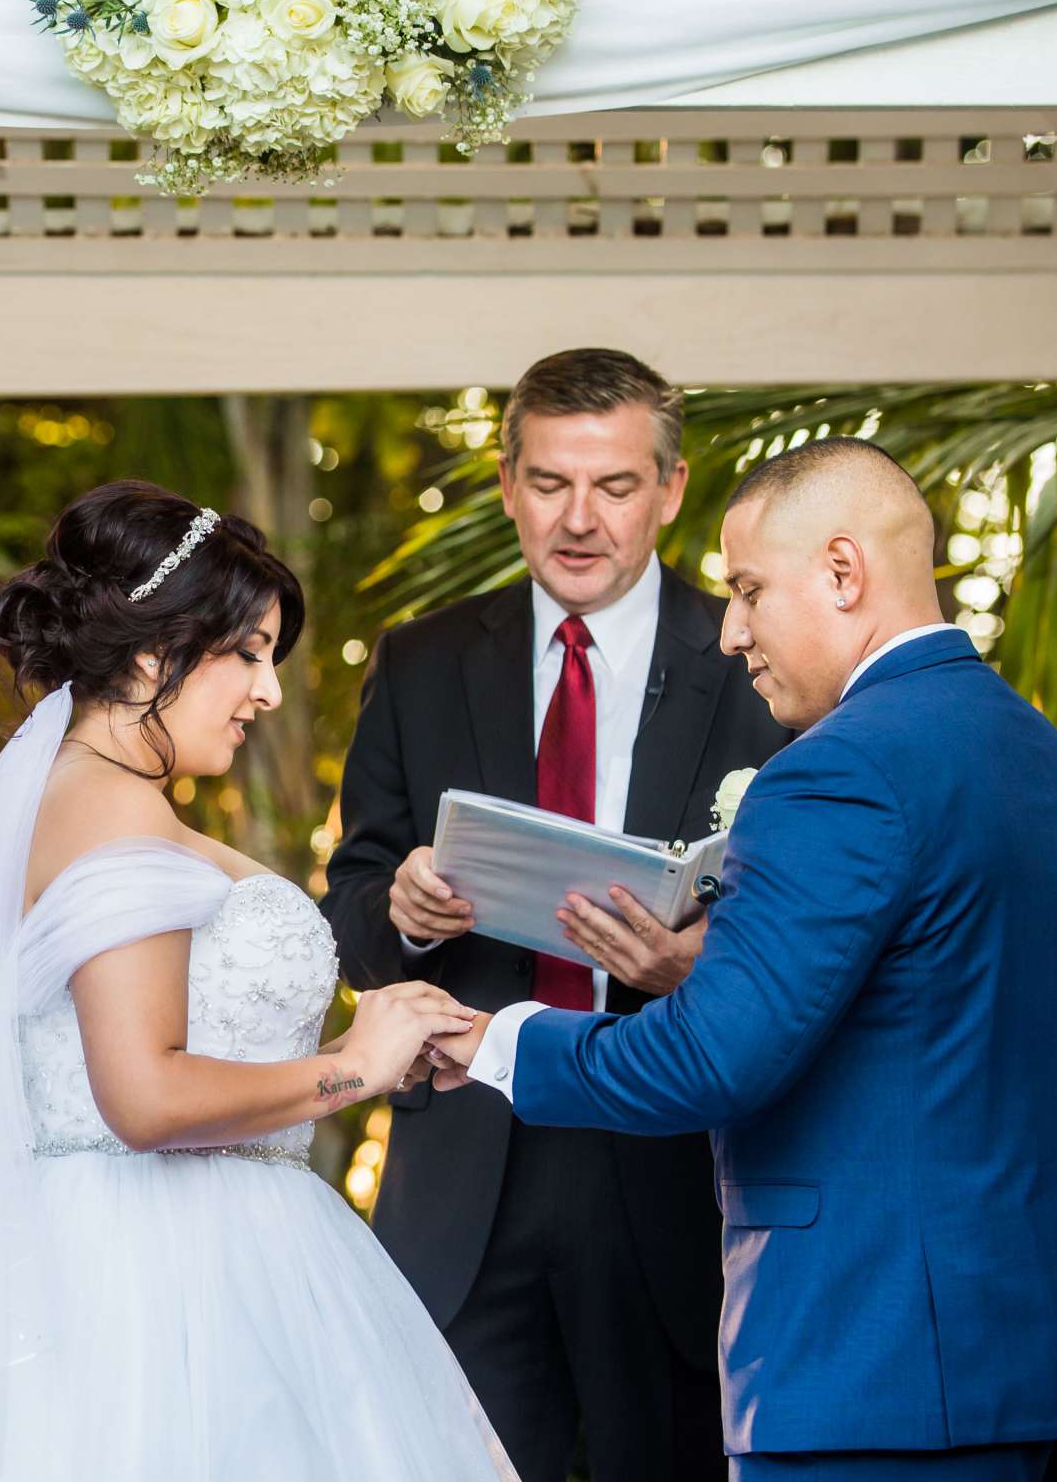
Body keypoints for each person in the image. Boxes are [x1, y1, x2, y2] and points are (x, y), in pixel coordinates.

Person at [0, 480, 517, 1480]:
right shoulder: (114, 813)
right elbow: (142, 1094)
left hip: (192, 1248)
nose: (267, 692)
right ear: (153, 654)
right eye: (248, 653)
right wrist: (350, 1067)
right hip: (156, 1280)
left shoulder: (97, 800)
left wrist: (384, 1047)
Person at [429, 438, 1057, 1479]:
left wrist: (496, 1040)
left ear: (845, 573)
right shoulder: (1053, 767)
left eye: (748, 589)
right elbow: (939, 1027)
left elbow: (709, 1062)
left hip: (883, 1375)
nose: (730, 633)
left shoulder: (837, 771)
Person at [322, 348, 790, 1481]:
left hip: (672, 1167)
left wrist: (696, 961)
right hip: (464, 1176)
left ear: (671, 491)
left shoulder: (756, 666)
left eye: (616, 486)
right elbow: (352, 907)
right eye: (549, 483)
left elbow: (803, 924)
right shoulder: (423, 660)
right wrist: (409, 911)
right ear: (506, 482)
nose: (580, 519)